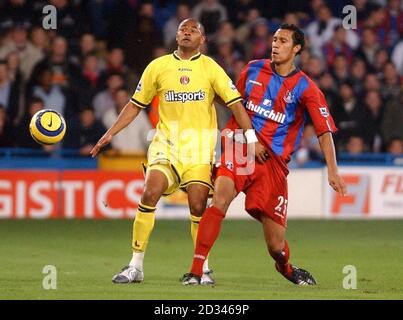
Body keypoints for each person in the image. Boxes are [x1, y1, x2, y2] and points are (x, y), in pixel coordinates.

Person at [90, 18, 266, 285]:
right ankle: (135, 265)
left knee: (198, 205)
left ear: (202, 40)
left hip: (199, 150)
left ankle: (202, 268)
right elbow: (135, 104)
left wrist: (251, 139)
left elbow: (236, 104)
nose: (187, 32)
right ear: (176, 35)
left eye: (193, 30)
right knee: (150, 191)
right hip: (166, 145)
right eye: (183, 29)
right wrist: (109, 133)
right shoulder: (158, 66)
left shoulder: (211, 68)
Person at [181, 24, 347, 286]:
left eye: (282, 41)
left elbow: (324, 131)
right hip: (240, 146)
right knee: (220, 199)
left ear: (297, 49)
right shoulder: (253, 69)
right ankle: (196, 270)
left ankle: (287, 268)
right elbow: (234, 103)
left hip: (273, 164)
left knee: (276, 246)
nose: (276, 44)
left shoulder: (307, 88)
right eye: (274, 39)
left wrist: (333, 170)